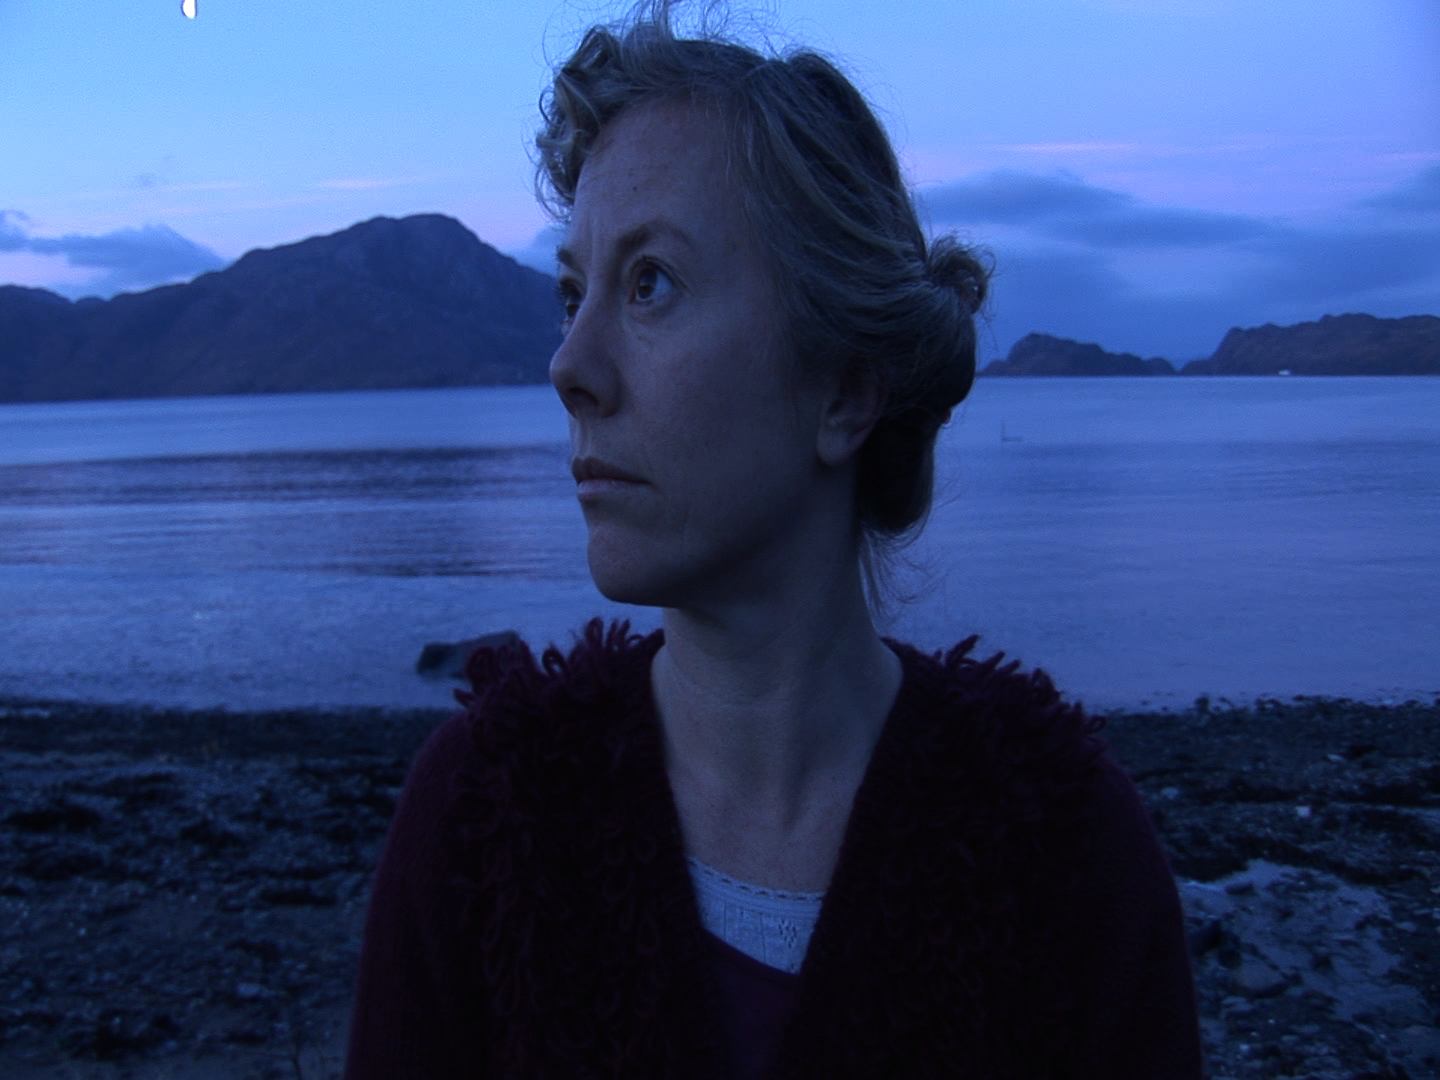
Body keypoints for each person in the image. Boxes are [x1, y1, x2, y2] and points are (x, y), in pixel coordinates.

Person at [344, 3, 1202, 1076]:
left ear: (844, 390)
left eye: (650, 283)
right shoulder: (484, 815)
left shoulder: (1063, 851)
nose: (568, 366)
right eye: (571, 293)